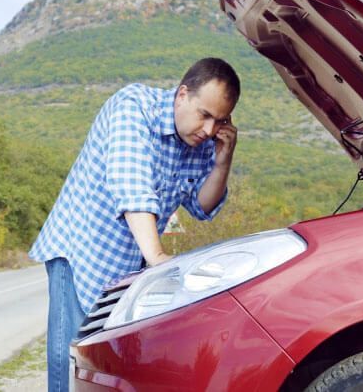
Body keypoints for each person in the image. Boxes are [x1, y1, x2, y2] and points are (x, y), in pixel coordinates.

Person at [29, 57, 240, 391]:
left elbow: (201, 207)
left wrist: (223, 161)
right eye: (204, 115)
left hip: (129, 270)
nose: (210, 130)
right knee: (72, 367)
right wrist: (158, 258)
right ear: (182, 95)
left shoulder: (201, 142)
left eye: (221, 120)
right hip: (82, 254)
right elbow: (133, 188)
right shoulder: (134, 107)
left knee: (106, 369)